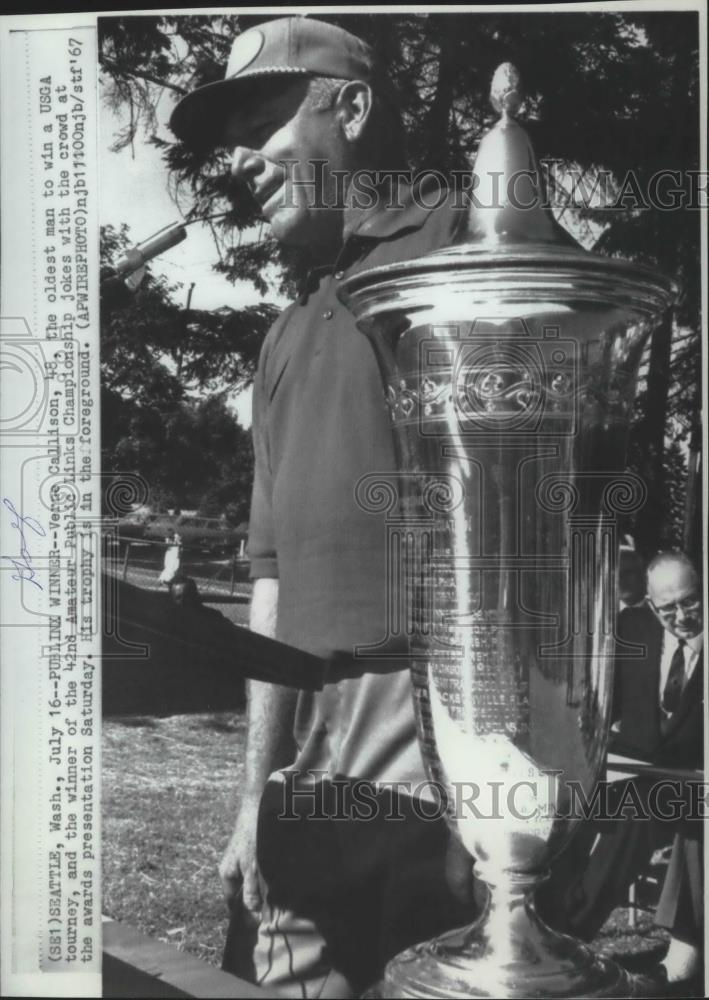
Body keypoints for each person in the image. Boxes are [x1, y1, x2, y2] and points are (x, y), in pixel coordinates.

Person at [170, 16, 473, 998]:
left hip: (439, 721)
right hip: (305, 734)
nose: (243, 161)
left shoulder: (466, 246)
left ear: (351, 106)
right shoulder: (285, 331)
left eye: (264, 118)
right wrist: (254, 794)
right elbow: (266, 584)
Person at [539, 551, 703, 988]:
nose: (682, 616)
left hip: (688, 781)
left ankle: (569, 937)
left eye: (692, 602)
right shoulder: (633, 630)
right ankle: (546, 925)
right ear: (650, 605)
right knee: (560, 807)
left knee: (632, 818)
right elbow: (592, 696)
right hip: (624, 763)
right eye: (668, 608)